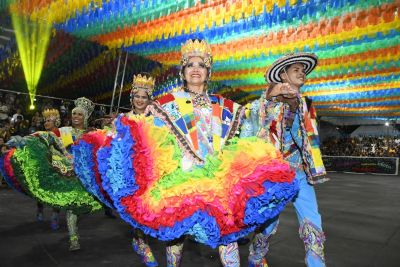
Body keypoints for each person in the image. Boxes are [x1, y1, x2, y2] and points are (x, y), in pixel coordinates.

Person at [73, 39, 298, 267]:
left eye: (201, 65)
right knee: (176, 238)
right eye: (190, 65)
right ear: (183, 70)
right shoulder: (166, 104)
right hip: (182, 179)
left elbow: (250, 123)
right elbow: (151, 141)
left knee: (227, 237)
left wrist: (269, 97)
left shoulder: (225, 105)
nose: (196, 69)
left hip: (217, 181)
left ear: (208, 71)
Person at [243, 53, 328, 267]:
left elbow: (308, 140)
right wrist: (272, 94)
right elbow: (253, 120)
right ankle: (255, 257)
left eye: (303, 71)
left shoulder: (307, 104)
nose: (301, 73)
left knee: (313, 222)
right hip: (275, 176)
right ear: (283, 74)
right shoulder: (267, 103)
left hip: (299, 173)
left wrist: (298, 107)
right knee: (268, 223)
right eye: (296, 70)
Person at [35, 109, 62, 230]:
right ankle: (40, 210)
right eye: (45, 120)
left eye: (49, 120)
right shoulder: (40, 134)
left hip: (57, 167)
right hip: (44, 166)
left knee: (57, 192)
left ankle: (55, 216)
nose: (46, 122)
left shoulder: (61, 133)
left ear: (56, 122)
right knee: (40, 191)